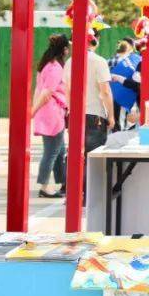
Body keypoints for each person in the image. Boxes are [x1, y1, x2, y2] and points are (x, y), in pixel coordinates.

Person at [62, 29, 115, 155]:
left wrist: (70, 111)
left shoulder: (69, 62)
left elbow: (67, 90)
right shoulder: (99, 61)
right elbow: (105, 91)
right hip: (95, 114)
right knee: (93, 158)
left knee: (76, 155)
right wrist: (111, 116)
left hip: (74, 114)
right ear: (95, 41)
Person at [31, 34, 69, 198]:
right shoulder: (56, 68)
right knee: (52, 151)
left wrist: (34, 109)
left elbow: (39, 90)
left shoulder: (46, 65)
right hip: (53, 112)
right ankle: (44, 186)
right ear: (64, 49)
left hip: (47, 111)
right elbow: (47, 92)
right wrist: (33, 111)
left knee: (59, 150)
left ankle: (63, 183)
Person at [108, 41, 139, 130]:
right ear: (128, 49)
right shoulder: (131, 62)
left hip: (110, 94)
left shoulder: (108, 60)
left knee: (115, 120)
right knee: (122, 121)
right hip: (125, 95)